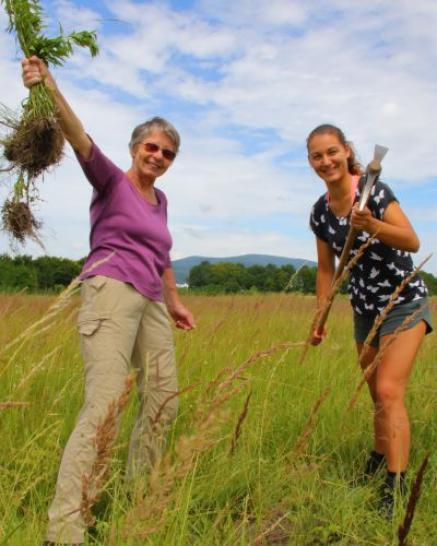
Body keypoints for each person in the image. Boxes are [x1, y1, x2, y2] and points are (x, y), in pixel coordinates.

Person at [22, 55, 195, 545]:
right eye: (151, 147)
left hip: (152, 302)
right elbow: (79, 136)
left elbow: (162, 253)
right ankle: (67, 527)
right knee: (104, 406)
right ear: (135, 147)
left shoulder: (161, 203)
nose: (158, 156)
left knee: (163, 400)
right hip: (110, 291)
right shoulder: (111, 181)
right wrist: (49, 85)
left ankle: (139, 499)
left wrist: (175, 301)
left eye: (167, 153)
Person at [306, 124, 432, 517]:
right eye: (316, 156)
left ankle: (394, 490)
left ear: (346, 152)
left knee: (391, 390)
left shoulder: (375, 192)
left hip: (403, 302)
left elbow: (412, 241)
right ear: (311, 162)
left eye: (331, 152)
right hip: (364, 309)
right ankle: (378, 461)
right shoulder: (320, 212)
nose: (326, 161)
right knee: (377, 394)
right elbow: (326, 271)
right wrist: (320, 316)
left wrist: (373, 226)